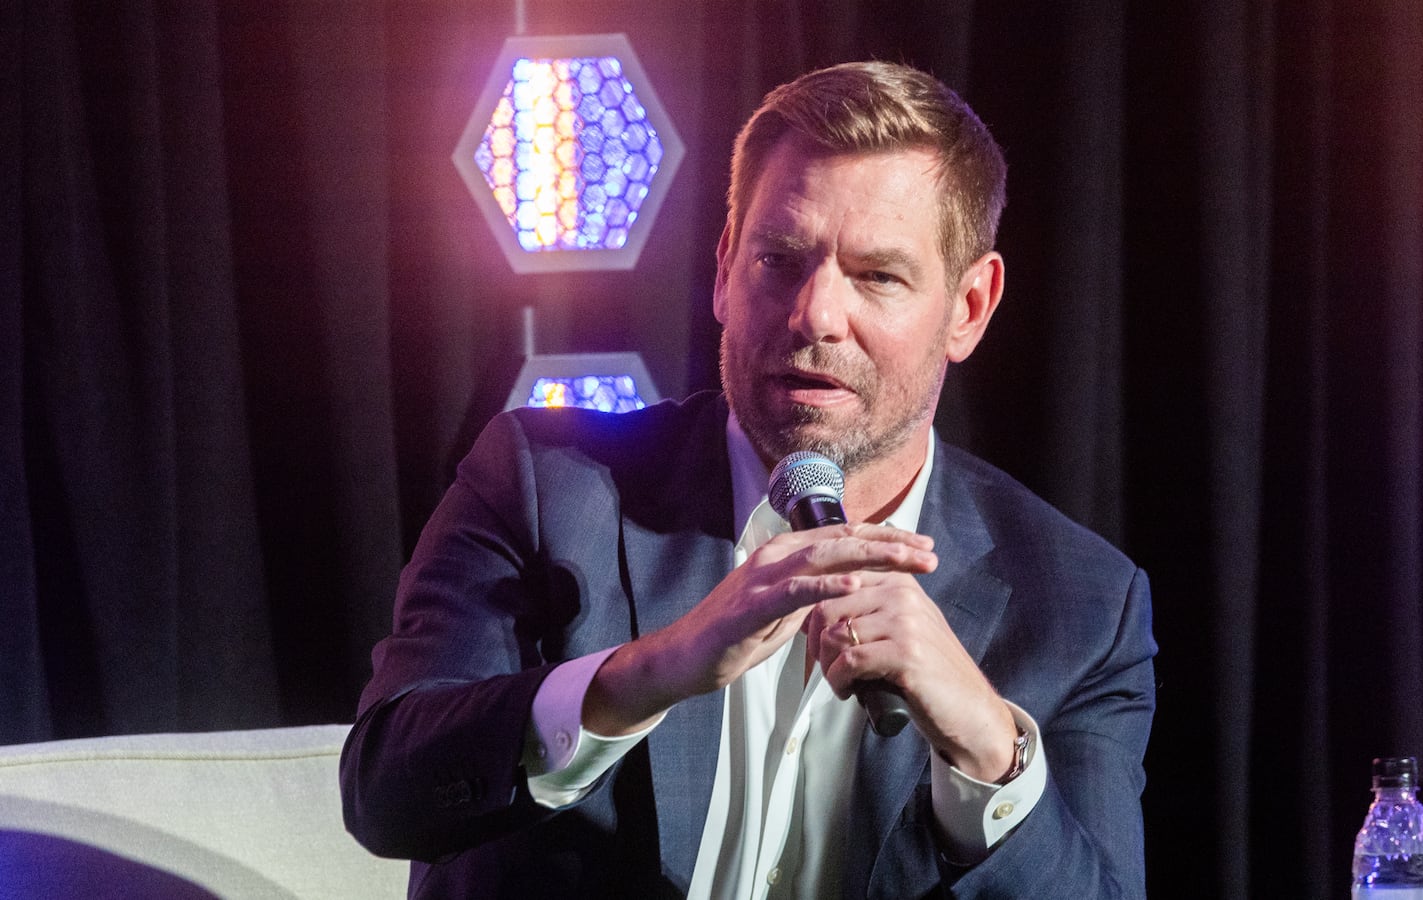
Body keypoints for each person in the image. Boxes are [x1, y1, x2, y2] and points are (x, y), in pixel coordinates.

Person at [340, 60, 1156, 899]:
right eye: (780, 259)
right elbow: (385, 794)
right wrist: (646, 673)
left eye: (879, 276)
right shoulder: (545, 484)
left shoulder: (1084, 605)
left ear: (970, 308)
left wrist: (989, 750)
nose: (814, 315)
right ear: (725, 269)